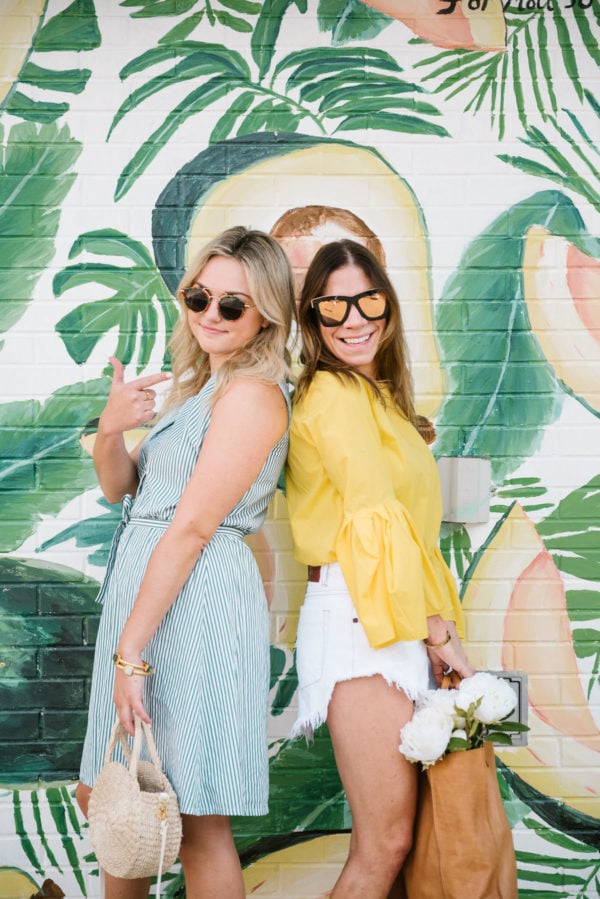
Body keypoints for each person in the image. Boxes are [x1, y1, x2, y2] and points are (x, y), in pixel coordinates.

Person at [76, 226, 296, 898]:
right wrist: (112, 428)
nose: (210, 314)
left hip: (193, 603)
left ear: (266, 313)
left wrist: (130, 652)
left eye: (233, 304)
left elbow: (194, 524)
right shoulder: (204, 390)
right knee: (121, 797)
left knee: (197, 817)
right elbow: (124, 488)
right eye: (199, 296)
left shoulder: (253, 394)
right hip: (151, 597)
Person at [284, 238, 476, 899]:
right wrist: (439, 633)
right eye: (331, 307)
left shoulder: (378, 397)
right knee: (385, 843)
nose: (353, 319)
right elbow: (373, 520)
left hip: (395, 616)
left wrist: (437, 629)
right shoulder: (334, 393)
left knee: (408, 841)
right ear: (311, 320)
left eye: (367, 299)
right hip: (361, 618)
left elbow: (409, 533)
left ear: (388, 305)